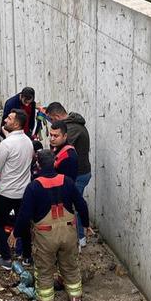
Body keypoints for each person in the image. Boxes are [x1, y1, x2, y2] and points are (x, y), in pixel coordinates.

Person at [11, 149, 91, 301]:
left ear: (38, 165)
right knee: (70, 267)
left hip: (45, 237)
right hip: (68, 234)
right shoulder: (68, 182)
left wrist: (16, 233)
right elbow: (81, 204)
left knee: (45, 271)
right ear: (54, 163)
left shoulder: (34, 187)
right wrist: (86, 224)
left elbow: (24, 214)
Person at [0, 109, 34, 269]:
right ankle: (27, 257)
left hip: (7, 191)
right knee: (22, 224)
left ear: (16, 123)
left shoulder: (7, 144)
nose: (5, 121)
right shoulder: (28, 141)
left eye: (9, 119)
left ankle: (6, 258)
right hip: (23, 191)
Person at [45, 102, 91, 248]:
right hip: (80, 172)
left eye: (51, 120)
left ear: (57, 116)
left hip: (79, 174)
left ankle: (80, 238)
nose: (52, 137)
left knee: (73, 206)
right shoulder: (73, 125)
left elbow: (58, 151)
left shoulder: (71, 130)